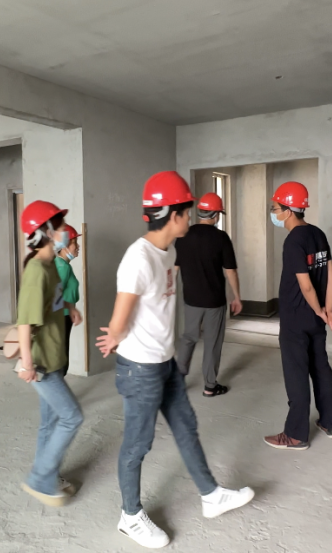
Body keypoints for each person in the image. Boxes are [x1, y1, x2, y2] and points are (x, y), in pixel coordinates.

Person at [97, 171, 254, 549]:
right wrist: (115, 336)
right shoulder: (138, 258)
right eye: (186, 210)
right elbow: (119, 318)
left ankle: (211, 495)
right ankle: (129, 516)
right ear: (174, 215)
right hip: (140, 368)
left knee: (186, 427)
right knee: (138, 444)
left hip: (164, 363)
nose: (191, 216)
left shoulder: (169, 252)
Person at [264, 181, 332, 451]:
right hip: (315, 319)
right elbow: (331, 273)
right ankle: (330, 422)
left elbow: (305, 285)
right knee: (320, 367)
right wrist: (327, 309)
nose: (274, 213)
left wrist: (321, 310)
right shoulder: (318, 234)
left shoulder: (293, 240)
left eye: (275, 208)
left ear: (288, 211)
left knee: (296, 373)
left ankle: (296, 435)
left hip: (296, 319)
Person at [16, 200, 84, 507]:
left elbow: (54, 300)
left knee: (50, 420)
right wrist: (27, 364)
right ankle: (40, 479)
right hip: (41, 362)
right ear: (45, 232)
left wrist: (70, 307)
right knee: (72, 416)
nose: (64, 231)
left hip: (54, 356)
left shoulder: (51, 265)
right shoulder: (36, 270)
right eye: (58, 226)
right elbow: (25, 322)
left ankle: (48, 472)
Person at [174, 192, 242, 397]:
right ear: (216, 215)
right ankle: (210, 386)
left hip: (191, 299)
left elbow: (175, 268)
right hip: (214, 301)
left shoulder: (183, 235)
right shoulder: (221, 238)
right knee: (212, 342)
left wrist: (168, 291)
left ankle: (177, 383)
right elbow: (230, 271)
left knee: (188, 338)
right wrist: (236, 297)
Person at [54, 224, 84, 358]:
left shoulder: (61, 264)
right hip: (61, 317)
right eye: (74, 243)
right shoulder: (63, 267)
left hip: (63, 315)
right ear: (64, 246)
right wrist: (71, 308)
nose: (78, 246)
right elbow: (54, 297)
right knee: (61, 358)